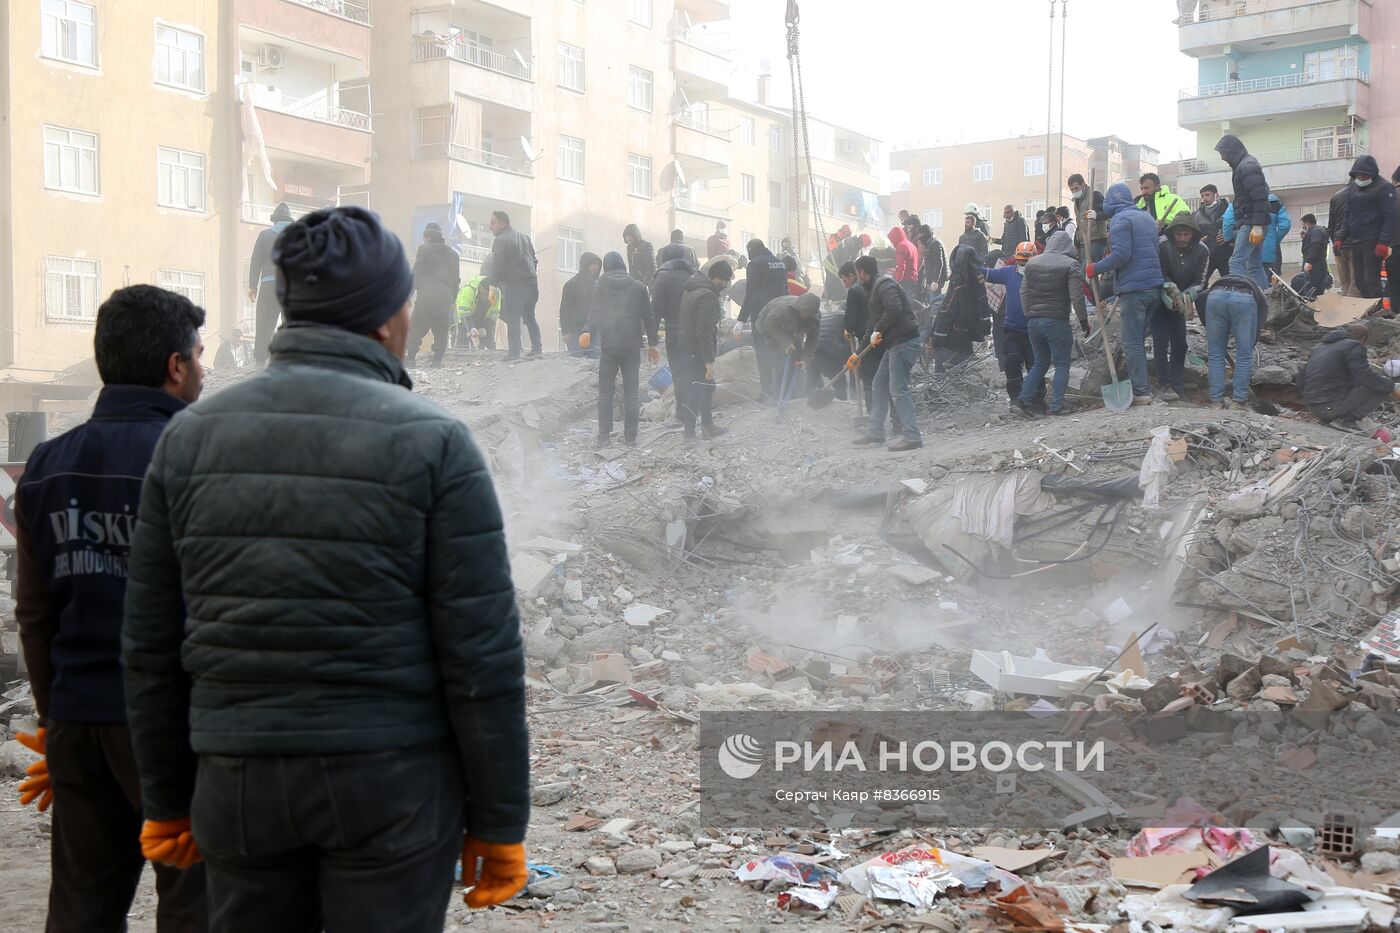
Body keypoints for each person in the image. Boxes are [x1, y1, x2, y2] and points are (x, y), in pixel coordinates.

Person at [121, 207, 529, 930]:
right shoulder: (436, 442)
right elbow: (480, 654)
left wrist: (166, 797)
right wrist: (499, 819)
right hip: (391, 781)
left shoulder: (187, 439)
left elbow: (151, 644)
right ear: (385, 317)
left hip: (237, 782)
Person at [16, 285, 208, 933]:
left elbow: (35, 614)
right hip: (173, 728)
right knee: (193, 900)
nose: (203, 369)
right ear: (176, 366)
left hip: (77, 723)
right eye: (200, 355)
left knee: (80, 906)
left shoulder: (45, 465)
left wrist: (53, 718)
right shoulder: (196, 455)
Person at [1085, 183, 1165, 405]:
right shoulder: (1147, 218)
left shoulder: (1121, 220)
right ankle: (1151, 386)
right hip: (1154, 288)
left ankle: (1141, 391)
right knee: (1138, 339)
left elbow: (1121, 255)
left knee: (1132, 343)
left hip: (1134, 289)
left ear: (1111, 203)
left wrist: (1095, 268)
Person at [581, 252, 659, 446]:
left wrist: (587, 330)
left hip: (610, 345)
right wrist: (653, 344)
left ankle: (604, 436)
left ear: (606, 267)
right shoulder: (639, 287)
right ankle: (631, 437)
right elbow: (649, 317)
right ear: (624, 266)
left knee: (605, 391)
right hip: (632, 346)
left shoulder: (601, 285)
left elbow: (595, 310)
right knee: (631, 392)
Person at [852, 256, 922, 451]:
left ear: (861, 272)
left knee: (898, 389)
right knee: (879, 384)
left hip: (904, 341)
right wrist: (857, 354)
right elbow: (871, 326)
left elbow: (894, 309)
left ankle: (912, 435)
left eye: (857, 274)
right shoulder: (874, 291)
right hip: (895, 344)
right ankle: (875, 432)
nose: (858, 278)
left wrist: (879, 330)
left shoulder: (884, 285)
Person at [1017, 231, 1090, 418]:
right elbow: (1076, 296)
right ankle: (1057, 405)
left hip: (1033, 322)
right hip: (1056, 321)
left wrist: (1029, 314)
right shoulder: (1070, 264)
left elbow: (1023, 293)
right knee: (1062, 365)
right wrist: (1083, 320)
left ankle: (1023, 401)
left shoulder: (1032, 263)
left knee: (1039, 363)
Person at [1154, 214, 1211, 402]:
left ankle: (1177, 386)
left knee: (1180, 343)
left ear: (1193, 235)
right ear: (1173, 234)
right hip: (1159, 298)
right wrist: (1171, 289)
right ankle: (1163, 384)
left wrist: (1187, 295)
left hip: (1181, 302)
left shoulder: (1202, 251)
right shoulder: (1162, 244)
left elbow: (1200, 280)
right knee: (1160, 341)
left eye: (1186, 234)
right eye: (1178, 234)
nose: (1182, 239)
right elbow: (1158, 271)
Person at [675, 261, 733, 440]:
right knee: (698, 389)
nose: (726, 285)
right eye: (726, 281)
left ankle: (707, 427)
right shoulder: (707, 296)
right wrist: (709, 362)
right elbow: (704, 332)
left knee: (706, 387)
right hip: (698, 350)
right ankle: (690, 434)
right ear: (718, 278)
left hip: (687, 346)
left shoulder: (692, 288)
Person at [1300, 322, 1397, 429]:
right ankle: (1347, 421)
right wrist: (1392, 386)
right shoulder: (1354, 346)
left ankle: (1333, 417)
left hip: (1314, 408)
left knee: (1370, 383)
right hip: (1330, 409)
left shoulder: (1318, 348)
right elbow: (1364, 376)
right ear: (1363, 339)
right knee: (1382, 387)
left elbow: (1301, 379)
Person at [1200, 272, 1267, 409]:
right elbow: (1262, 314)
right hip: (1244, 300)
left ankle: (1216, 401)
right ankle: (1239, 400)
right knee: (1244, 354)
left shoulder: (1218, 284)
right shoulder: (1258, 290)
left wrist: (1209, 326)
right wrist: (1252, 341)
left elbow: (1201, 298)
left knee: (1215, 354)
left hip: (1215, 298)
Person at [1215, 134, 1272, 290]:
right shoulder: (1245, 165)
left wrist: (1257, 224)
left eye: (1222, 153)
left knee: (1236, 262)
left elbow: (1260, 195)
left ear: (1231, 151)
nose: (1222, 158)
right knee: (1254, 264)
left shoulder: (1247, 166)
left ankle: (1239, 296)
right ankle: (1265, 300)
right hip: (1253, 221)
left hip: (1251, 221)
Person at [1337, 155, 1398, 300]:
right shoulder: (1353, 189)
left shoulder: (1384, 187)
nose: (1361, 178)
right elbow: (1347, 215)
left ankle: (1376, 310)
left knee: (1371, 279)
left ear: (1372, 174)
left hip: (1373, 240)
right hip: (1356, 240)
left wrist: (1383, 241)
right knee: (1359, 281)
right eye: (1359, 175)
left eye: (1364, 175)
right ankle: (1369, 309)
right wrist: (1340, 237)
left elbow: (1391, 217)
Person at [736, 238, 789, 400]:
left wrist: (741, 320)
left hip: (762, 317)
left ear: (751, 249)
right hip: (780, 314)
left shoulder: (755, 264)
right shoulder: (779, 263)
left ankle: (766, 392)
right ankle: (782, 392)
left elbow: (751, 294)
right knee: (780, 352)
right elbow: (785, 289)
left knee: (763, 354)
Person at [486, 210, 542, 359]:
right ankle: (537, 349)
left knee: (513, 318)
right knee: (530, 316)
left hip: (516, 285)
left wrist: (492, 287)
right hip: (532, 283)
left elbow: (497, 266)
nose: (490, 226)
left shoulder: (501, 240)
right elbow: (534, 261)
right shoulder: (525, 237)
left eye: (493, 223)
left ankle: (514, 353)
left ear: (503, 223)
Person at [986, 242, 1035, 407]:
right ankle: (1016, 400)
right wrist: (970, 262)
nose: (1023, 264)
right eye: (1020, 261)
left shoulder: (1040, 274)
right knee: (1011, 363)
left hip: (1033, 329)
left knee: (1034, 365)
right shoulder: (1008, 272)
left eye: (1026, 261)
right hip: (1012, 327)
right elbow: (988, 274)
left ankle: (1036, 401)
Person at [407, 222, 462, 369]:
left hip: (427, 297)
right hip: (445, 299)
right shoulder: (453, 254)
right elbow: (456, 279)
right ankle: (437, 361)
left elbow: (416, 274)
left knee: (416, 328)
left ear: (427, 236)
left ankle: (411, 360)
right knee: (441, 330)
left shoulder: (424, 249)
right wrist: (452, 298)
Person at [931, 238, 989, 372]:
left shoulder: (958, 281)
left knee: (944, 370)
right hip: (969, 331)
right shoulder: (977, 278)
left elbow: (947, 310)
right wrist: (984, 326)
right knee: (959, 368)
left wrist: (938, 336)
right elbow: (983, 302)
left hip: (954, 333)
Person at [246, 202, 294, 364]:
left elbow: (255, 262)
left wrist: (252, 286)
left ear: (275, 221)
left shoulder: (264, 235)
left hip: (268, 286)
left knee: (264, 324)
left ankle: (260, 361)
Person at [651, 250, 698, 413]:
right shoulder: (694, 273)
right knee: (694, 371)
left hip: (675, 330)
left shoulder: (662, 275)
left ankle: (683, 413)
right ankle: (697, 411)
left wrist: (652, 339)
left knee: (678, 372)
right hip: (695, 330)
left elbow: (656, 308)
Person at [758, 292, 822, 402]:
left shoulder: (815, 317)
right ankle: (778, 396)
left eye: (808, 314)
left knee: (797, 359)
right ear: (798, 308)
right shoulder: (782, 310)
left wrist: (806, 358)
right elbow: (768, 325)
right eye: (803, 312)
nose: (805, 315)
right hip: (767, 328)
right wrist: (785, 342)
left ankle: (793, 393)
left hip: (791, 330)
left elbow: (813, 338)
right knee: (780, 363)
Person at [1224, 194, 1290, 284]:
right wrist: (1274, 240)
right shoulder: (1276, 204)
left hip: (1246, 247)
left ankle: (1243, 293)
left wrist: (1230, 239)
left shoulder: (1239, 201)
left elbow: (1227, 222)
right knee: (1262, 275)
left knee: (1238, 266)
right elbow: (1285, 225)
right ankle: (1263, 296)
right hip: (1268, 252)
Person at [559, 252, 602, 356]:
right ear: (585, 265)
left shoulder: (598, 285)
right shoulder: (571, 284)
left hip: (594, 332)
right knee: (577, 365)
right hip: (575, 332)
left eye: (597, 264)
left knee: (596, 365)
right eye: (592, 264)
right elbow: (563, 310)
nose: (595, 267)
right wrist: (565, 332)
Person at [1193, 185, 1232, 285]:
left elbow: (1239, 229)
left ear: (1216, 195)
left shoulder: (1229, 211)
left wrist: (1229, 236)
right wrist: (1198, 240)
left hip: (1227, 255)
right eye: (1202, 196)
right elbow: (1193, 234)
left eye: (1207, 195)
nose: (1204, 198)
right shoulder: (1197, 215)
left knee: (1231, 283)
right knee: (1201, 284)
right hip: (1208, 256)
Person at [1068, 174, 1109, 266]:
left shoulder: (1094, 195)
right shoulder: (1077, 201)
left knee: (1089, 270)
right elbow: (1079, 222)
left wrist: (1096, 215)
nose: (1074, 191)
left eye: (1076, 188)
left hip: (1096, 239)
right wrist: (1076, 241)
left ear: (1083, 185)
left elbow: (1107, 213)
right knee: (1083, 271)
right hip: (1084, 240)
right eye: (1072, 190)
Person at [457, 270, 501, 350]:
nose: (486, 297)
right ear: (479, 288)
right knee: (464, 333)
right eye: (484, 294)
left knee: (488, 336)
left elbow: (493, 315)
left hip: (483, 317)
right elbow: (464, 313)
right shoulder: (469, 289)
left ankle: (486, 354)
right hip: (466, 317)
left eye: (489, 295)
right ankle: (460, 352)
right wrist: (471, 327)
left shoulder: (496, 293)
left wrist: (485, 328)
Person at [1329, 181, 1358, 297]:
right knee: (1355, 285)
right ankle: (1353, 313)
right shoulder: (1361, 194)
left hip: (1339, 245)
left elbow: (1331, 225)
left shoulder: (1336, 196)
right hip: (1356, 244)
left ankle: (1345, 312)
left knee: (1345, 285)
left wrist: (1335, 243)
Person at [1298, 214, 1331, 297]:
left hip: (1314, 264)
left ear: (1307, 223)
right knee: (1318, 286)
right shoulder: (1320, 230)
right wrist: (1304, 238)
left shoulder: (1315, 231)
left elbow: (1315, 246)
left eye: (1303, 224)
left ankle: (1312, 304)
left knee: (1310, 287)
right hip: (1319, 263)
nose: (1302, 226)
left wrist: (1308, 261)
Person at [917, 227, 949, 297]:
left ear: (924, 234)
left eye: (919, 236)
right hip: (932, 278)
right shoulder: (931, 242)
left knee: (934, 302)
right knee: (932, 302)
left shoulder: (934, 243)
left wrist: (935, 281)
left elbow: (939, 263)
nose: (919, 239)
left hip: (935, 280)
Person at [889, 225, 920, 293]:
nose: (892, 242)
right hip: (913, 278)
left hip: (905, 280)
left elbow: (902, 266)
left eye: (892, 240)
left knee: (903, 301)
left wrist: (897, 281)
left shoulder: (901, 246)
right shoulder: (910, 244)